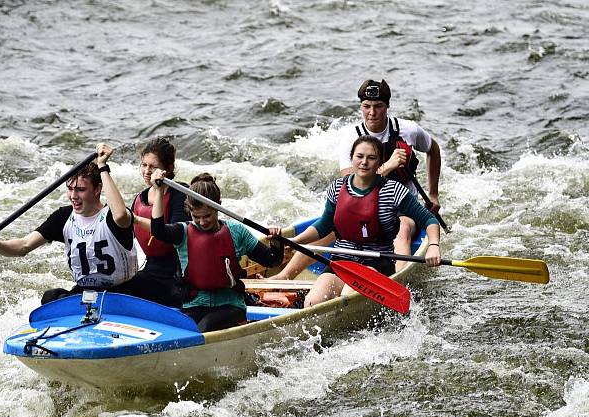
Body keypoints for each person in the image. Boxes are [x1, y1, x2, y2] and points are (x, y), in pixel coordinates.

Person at [0, 143, 139, 304]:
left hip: (123, 293)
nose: (73, 195)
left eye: (81, 189)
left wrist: (102, 166)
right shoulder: (63, 217)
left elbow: (121, 215)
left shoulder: (112, 216)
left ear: (97, 189)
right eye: (70, 188)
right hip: (86, 294)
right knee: (51, 297)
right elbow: (23, 246)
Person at [290, 136, 442, 308]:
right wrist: (294, 241)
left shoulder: (394, 191)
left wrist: (433, 246)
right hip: (341, 262)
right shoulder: (337, 187)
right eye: (359, 156)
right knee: (312, 302)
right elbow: (323, 225)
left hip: (376, 264)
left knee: (347, 299)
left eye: (371, 158)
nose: (364, 162)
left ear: (380, 162)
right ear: (352, 158)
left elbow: (429, 219)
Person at [149, 171, 284, 332]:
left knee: (205, 328)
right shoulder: (183, 232)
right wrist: (157, 190)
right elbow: (157, 230)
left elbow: (273, 260)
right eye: (196, 216)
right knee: (183, 330)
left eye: (207, 216)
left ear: (218, 206)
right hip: (193, 304)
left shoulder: (237, 232)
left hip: (230, 306)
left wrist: (277, 240)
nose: (202, 222)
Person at [339, 78, 442, 269]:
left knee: (401, 230)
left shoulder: (408, 129)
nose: (372, 113)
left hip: (401, 208)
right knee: (331, 225)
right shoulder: (350, 138)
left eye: (378, 106)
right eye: (366, 106)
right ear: (360, 107)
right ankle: (284, 272)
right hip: (362, 206)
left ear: (387, 106)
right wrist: (389, 165)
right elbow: (348, 182)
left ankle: (399, 278)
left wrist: (433, 194)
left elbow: (433, 149)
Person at [129, 137, 191, 307]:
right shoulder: (139, 199)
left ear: (168, 169)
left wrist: (136, 220)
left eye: (153, 166)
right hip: (152, 269)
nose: (147, 171)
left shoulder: (181, 194)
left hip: (178, 274)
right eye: (144, 165)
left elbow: (172, 233)